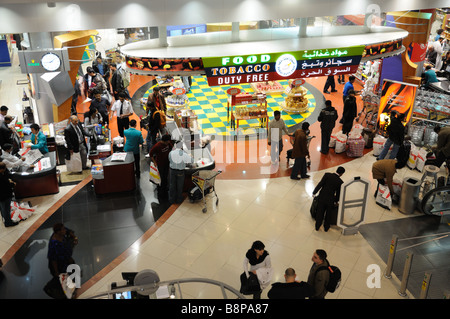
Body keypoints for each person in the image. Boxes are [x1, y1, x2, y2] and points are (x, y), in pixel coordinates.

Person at [312, 166, 345, 231]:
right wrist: (336, 201)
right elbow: (338, 193)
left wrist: (314, 192)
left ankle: (317, 226)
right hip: (330, 199)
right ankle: (326, 227)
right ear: (341, 174)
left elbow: (320, 184)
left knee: (320, 212)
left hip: (322, 196)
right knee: (328, 214)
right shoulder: (340, 182)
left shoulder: (327, 175)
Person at [150, 134, 173, 199]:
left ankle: (165, 187)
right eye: (168, 141)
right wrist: (154, 162)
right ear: (165, 141)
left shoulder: (168, 144)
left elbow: (172, 148)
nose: (169, 142)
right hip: (160, 164)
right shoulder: (157, 146)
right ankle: (160, 189)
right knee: (160, 176)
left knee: (165, 175)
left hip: (167, 163)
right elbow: (151, 154)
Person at [0, 162, 18, 227]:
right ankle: (8, 223)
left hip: (1, 196)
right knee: (6, 209)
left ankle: (5, 220)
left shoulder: (2, 174)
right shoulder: (1, 177)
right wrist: (13, 184)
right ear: (2, 169)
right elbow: (6, 185)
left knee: (2, 209)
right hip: (4, 195)